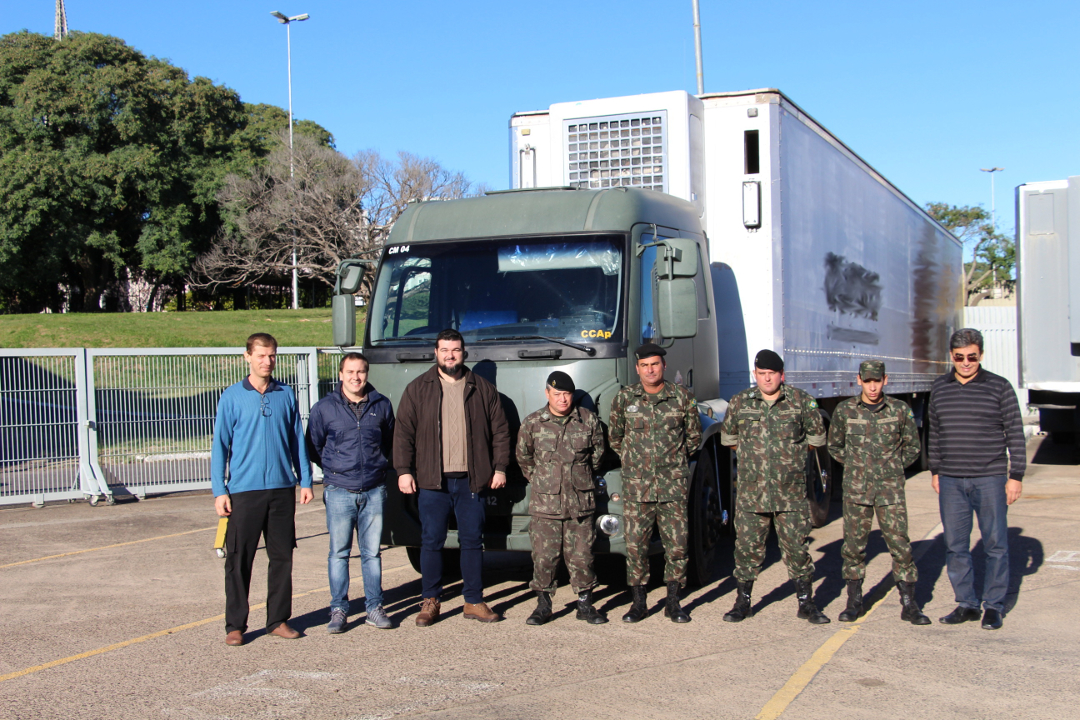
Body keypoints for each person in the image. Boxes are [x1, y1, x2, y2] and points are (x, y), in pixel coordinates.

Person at [393, 329, 510, 626]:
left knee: (472, 541)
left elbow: (500, 431)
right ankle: (430, 600)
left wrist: (499, 468)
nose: (450, 355)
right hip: (433, 481)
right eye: (444, 349)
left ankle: (473, 601)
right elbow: (403, 433)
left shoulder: (482, 388)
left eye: (455, 349)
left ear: (463, 352)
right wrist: (404, 471)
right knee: (431, 541)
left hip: (472, 481)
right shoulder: (418, 389)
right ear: (436, 353)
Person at [211, 333, 313, 647]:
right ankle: (235, 625)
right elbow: (220, 446)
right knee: (239, 558)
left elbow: (298, 439)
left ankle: (278, 620)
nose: (267, 361)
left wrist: (305, 480)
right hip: (244, 491)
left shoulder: (285, 395)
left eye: (271, 355)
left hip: (282, 489)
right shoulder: (231, 397)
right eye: (261, 355)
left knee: (282, 557)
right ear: (247, 357)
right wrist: (220, 489)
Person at [719, 349, 830, 624]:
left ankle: (806, 603)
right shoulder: (740, 402)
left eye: (772, 374)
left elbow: (816, 441)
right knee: (746, 550)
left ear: (782, 375)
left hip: (789, 493)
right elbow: (730, 439)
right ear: (754, 374)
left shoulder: (802, 402)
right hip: (752, 492)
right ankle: (742, 603)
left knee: (797, 550)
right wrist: (757, 459)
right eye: (762, 374)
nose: (767, 379)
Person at [929, 328, 1026, 630]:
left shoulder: (1000, 387)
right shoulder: (939, 388)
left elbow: (1015, 432)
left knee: (995, 544)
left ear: (981, 355)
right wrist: (935, 470)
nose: (966, 362)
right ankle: (966, 603)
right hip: (951, 480)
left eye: (972, 356)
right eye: (960, 357)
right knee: (955, 545)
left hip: (990, 478)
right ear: (951, 357)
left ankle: (994, 606)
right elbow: (934, 432)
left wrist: (1016, 476)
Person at [827, 360, 929, 625]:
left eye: (877, 381)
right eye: (867, 381)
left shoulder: (899, 410)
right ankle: (854, 601)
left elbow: (912, 446)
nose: (872, 387)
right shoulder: (845, 411)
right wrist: (855, 466)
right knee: (853, 548)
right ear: (859, 380)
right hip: (856, 491)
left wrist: (892, 466)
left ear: (885, 380)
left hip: (889, 490)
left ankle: (909, 603)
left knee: (900, 546)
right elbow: (835, 445)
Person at [608, 343, 702, 624]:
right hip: (638, 488)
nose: (650, 370)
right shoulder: (625, 399)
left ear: (664, 366)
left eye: (655, 364)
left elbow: (693, 439)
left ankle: (673, 602)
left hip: (672, 487)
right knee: (636, 546)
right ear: (637, 369)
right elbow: (615, 438)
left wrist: (670, 464)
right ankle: (639, 603)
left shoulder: (683, 398)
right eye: (645, 366)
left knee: (677, 546)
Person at [307, 352, 395, 633]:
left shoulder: (381, 405)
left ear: (367, 374)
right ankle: (338, 609)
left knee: (372, 553)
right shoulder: (323, 408)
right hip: (339, 490)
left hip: (373, 489)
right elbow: (315, 447)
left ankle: (374, 607)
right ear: (340, 374)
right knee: (339, 553)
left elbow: (389, 442)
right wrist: (336, 469)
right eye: (350, 372)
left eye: (360, 372)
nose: (355, 377)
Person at [516, 371, 608, 626]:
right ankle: (543, 605)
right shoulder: (533, 423)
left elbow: (597, 455)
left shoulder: (588, 421)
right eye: (557, 394)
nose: (563, 399)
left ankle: (585, 604)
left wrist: (578, 478)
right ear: (547, 394)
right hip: (546, 505)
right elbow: (524, 458)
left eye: (567, 394)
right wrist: (542, 481)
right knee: (544, 557)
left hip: (580, 503)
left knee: (582, 557)